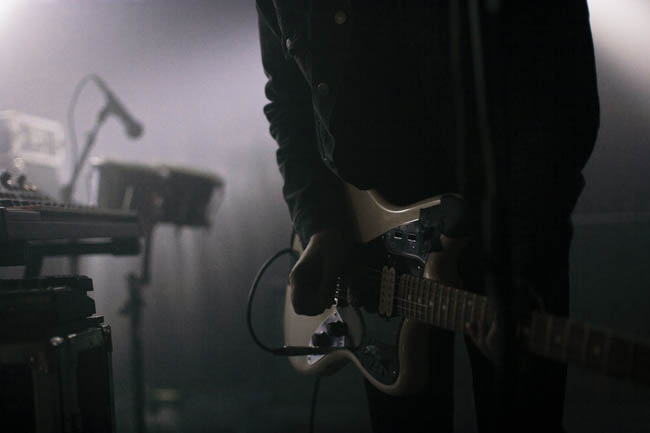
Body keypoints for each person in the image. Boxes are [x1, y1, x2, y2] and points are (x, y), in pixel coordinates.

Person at [257, 1, 600, 432]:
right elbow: (288, 102)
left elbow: (563, 95)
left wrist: (525, 261)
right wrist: (319, 227)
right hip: (374, 250)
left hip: (513, 235)